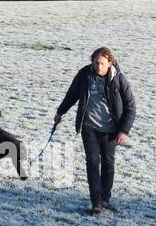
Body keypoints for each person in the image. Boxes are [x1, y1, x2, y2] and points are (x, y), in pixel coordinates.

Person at [53, 46, 136, 215]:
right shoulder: (85, 75)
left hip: (111, 129)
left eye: (102, 63)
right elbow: (72, 94)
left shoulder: (118, 79)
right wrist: (60, 112)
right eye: (96, 63)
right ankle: (96, 201)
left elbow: (131, 107)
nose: (99, 67)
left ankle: (105, 197)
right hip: (89, 126)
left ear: (110, 63)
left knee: (108, 164)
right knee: (92, 162)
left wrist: (124, 131)